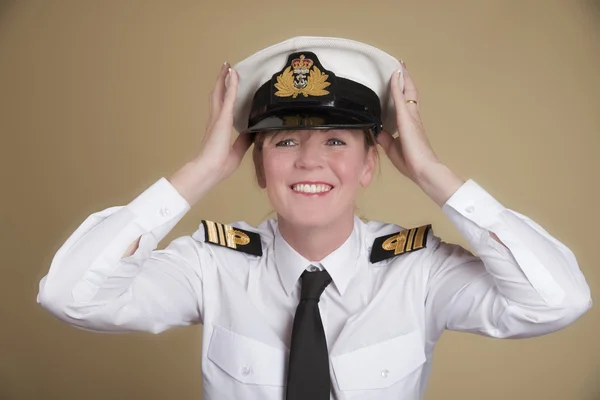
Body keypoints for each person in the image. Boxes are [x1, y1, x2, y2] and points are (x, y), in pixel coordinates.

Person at [37, 36, 592, 400]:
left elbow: (556, 300)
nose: (309, 160)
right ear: (257, 164)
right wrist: (201, 170)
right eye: (283, 140)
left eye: (335, 140)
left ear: (371, 163)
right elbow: (71, 296)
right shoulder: (210, 265)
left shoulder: (419, 271)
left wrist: (430, 171)